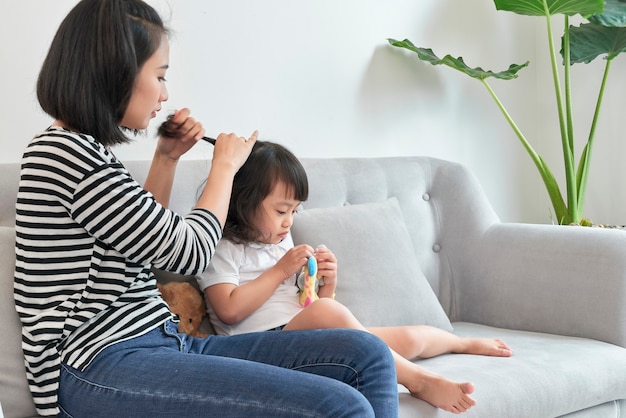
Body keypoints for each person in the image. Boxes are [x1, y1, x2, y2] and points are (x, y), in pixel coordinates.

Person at [13, 1, 399, 416]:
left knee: (367, 355)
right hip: (95, 367)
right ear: (116, 72)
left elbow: (142, 245)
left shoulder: (87, 155)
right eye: (159, 76)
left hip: (157, 344)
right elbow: (189, 251)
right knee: (335, 405)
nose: (164, 94)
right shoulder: (66, 157)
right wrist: (225, 170)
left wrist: (166, 159)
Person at [198, 140, 514, 415]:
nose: (289, 222)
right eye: (281, 211)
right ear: (243, 202)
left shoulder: (278, 241)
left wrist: (326, 283)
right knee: (329, 314)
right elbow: (228, 309)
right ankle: (417, 380)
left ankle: (461, 342)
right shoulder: (220, 247)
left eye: (295, 211)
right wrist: (281, 270)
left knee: (410, 339)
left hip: (302, 332)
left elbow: (307, 305)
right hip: (260, 345)